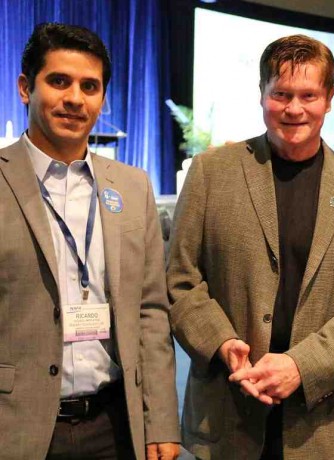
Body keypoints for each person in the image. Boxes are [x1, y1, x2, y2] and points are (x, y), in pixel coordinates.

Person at [167, 34, 334, 459]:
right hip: (228, 410)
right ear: (262, 95)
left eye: (308, 95)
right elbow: (181, 279)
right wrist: (220, 343)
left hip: (321, 426)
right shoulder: (211, 173)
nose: (293, 109)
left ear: (328, 99)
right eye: (281, 94)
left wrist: (300, 366)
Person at [0, 23, 180, 459]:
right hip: (17, 428)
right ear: (26, 88)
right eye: (58, 81)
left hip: (115, 427)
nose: (74, 98)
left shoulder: (133, 188)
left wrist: (161, 421)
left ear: (102, 98)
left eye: (89, 86)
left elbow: (151, 311)